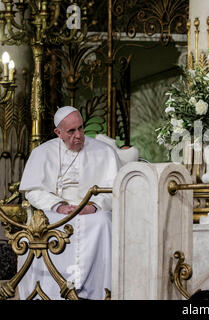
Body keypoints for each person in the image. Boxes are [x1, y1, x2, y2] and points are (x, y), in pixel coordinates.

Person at [18, 106, 122, 300]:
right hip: (55, 211)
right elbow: (33, 191)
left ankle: (101, 293)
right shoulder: (42, 152)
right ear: (58, 132)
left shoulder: (105, 152)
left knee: (103, 222)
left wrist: (95, 206)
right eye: (71, 131)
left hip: (94, 212)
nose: (79, 135)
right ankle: (49, 292)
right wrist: (58, 206)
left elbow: (117, 190)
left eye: (81, 128)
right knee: (41, 225)